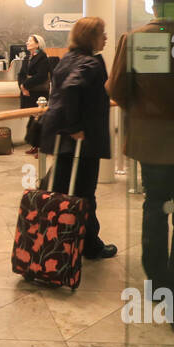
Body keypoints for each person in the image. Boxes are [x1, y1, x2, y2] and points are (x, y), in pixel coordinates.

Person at [106, 0, 174, 329]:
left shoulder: (134, 39)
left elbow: (118, 89)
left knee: (154, 207)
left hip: (152, 142)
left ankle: (157, 283)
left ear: (155, 6)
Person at [37, 16, 117, 260]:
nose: (105, 38)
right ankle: (90, 245)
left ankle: (61, 240)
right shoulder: (90, 63)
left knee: (63, 190)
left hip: (62, 139)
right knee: (84, 192)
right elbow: (72, 89)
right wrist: (75, 127)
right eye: (102, 33)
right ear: (90, 37)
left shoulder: (67, 59)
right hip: (81, 140)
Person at [17, 34, 51, 109]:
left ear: (37, 44)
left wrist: (25, 85)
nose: (27, 43)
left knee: (36, 117)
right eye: (27, 41)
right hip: (25, 93)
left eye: (30, 41)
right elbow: (21, 74)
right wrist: (22, 87)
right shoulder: (26, 57)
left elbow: (41, 76)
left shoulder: (43, 58)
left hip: (37, 94)